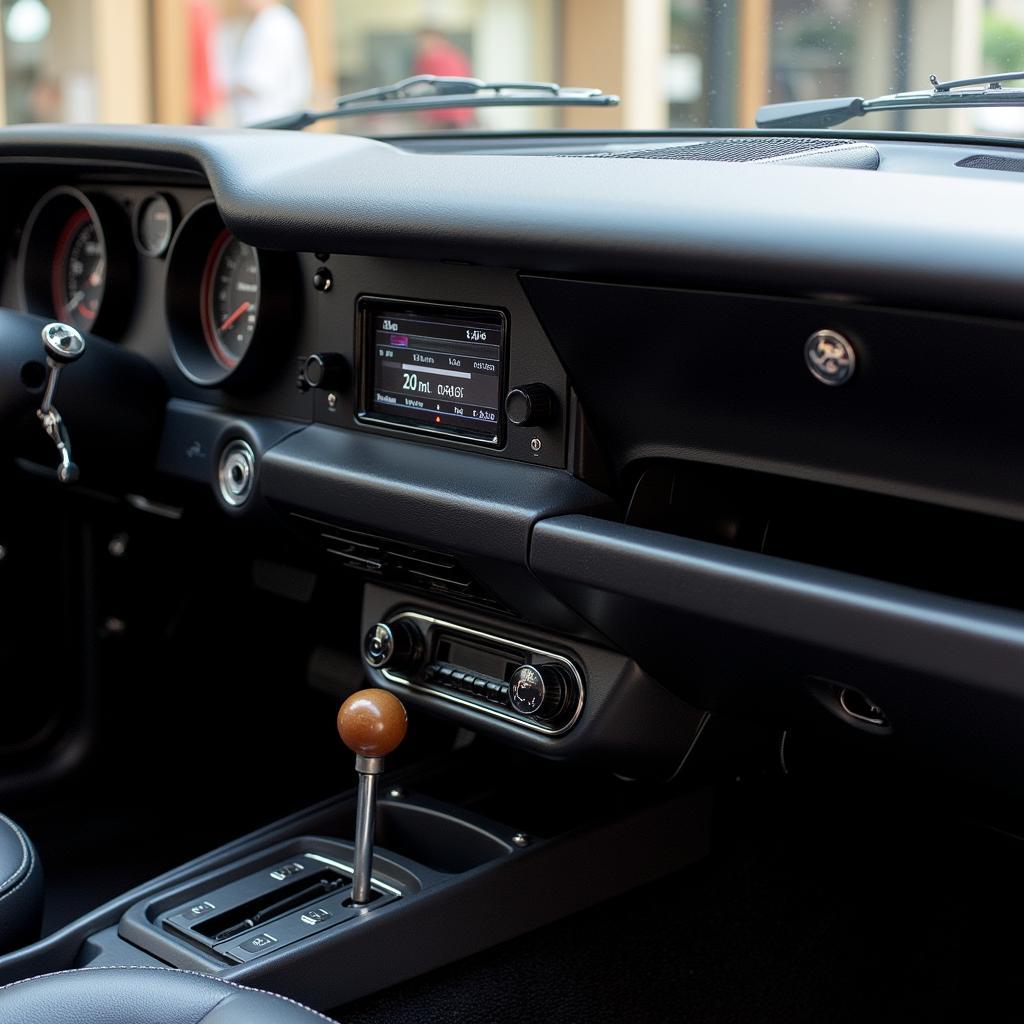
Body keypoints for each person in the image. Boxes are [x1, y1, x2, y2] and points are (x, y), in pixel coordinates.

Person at [230, 0, 312, 126]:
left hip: (269, 119)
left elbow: (254, 81)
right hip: (274, 119)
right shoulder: (275, 21)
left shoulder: (272, 26)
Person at [412, 28, 474, 130]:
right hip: (455, 112)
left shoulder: (434, 58)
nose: (422, 45)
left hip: (445, 113)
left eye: (426, 41)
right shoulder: (454, 55)